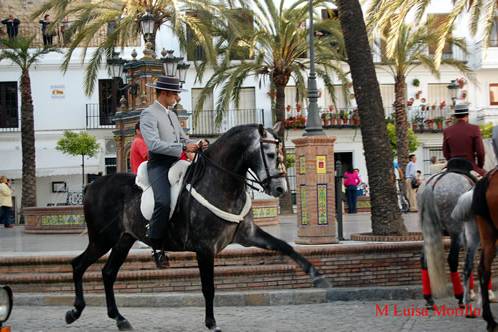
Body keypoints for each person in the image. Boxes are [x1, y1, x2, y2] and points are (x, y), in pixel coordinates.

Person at [140, 76, 208, 268]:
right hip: (159, 165)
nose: (177, 97)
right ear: (164, 93)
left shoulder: (172, 115)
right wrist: (183, 149)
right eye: (175, 94)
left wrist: (197, 144)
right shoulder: (148, 114)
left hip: (177, 162)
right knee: (162, 201)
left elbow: (183, 137)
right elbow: (153, 144)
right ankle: (156, 247)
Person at [443, 103, 485, 176]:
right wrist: (479, 167)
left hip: (453, 166)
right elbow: (480, 152)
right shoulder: (474, 129)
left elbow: (445, 153)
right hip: (471, 167)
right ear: (467, 115)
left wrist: (453, 162)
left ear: (455, 116)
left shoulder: (447, 130)